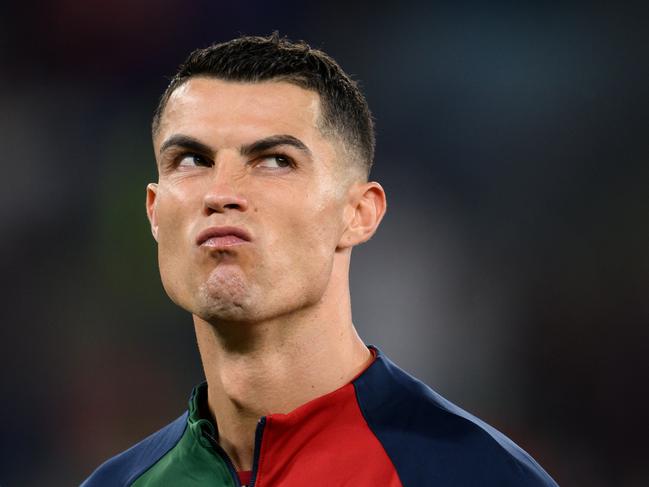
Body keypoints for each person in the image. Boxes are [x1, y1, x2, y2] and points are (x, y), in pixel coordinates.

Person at [81, 34, 558, 487]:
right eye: (191, 160)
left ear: (358, 214)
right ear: (154, 212)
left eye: (274, 160)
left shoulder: (472, 475)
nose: (220, 193)